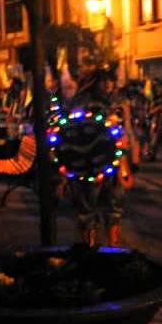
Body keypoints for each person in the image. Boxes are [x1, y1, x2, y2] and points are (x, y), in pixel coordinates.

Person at [63, 69, 128, 246]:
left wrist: (124, 165)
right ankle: (90, 248)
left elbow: (122, 135)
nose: (107, 85)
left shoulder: (113, 101)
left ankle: (112, 247)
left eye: (109, 81)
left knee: (113, 205)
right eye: (103, 81)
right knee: (88, 207)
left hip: (109, 160)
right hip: (87, 162)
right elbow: (74, 130)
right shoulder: (83, 101)